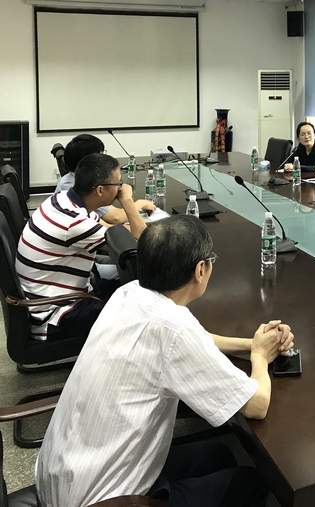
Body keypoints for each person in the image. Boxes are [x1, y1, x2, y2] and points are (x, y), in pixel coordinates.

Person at [35, 215, 294, 507]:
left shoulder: (128, 293)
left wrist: (252, 343)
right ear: (200, 270)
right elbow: (256, 406)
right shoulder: (174, 328)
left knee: (218, 454)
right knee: (251, 482)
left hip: (62, 476)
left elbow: (193, 339)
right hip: (99, 500)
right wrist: (260, 357)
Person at [16, 153, 147, 340]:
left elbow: (114, 232)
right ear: (100, 190)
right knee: (143, 303)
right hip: (57, 315)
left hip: (53, 298)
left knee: (129, 285)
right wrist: (127, 201)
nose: (121, 188)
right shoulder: (74, 223)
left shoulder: (62, 200)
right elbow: (138, 244)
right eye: (119, 184)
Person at [55, 134, 155, 223]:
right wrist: (139, 204)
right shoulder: (75, 186)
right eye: (100, 155)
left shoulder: (77, 178)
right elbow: (116, 218)